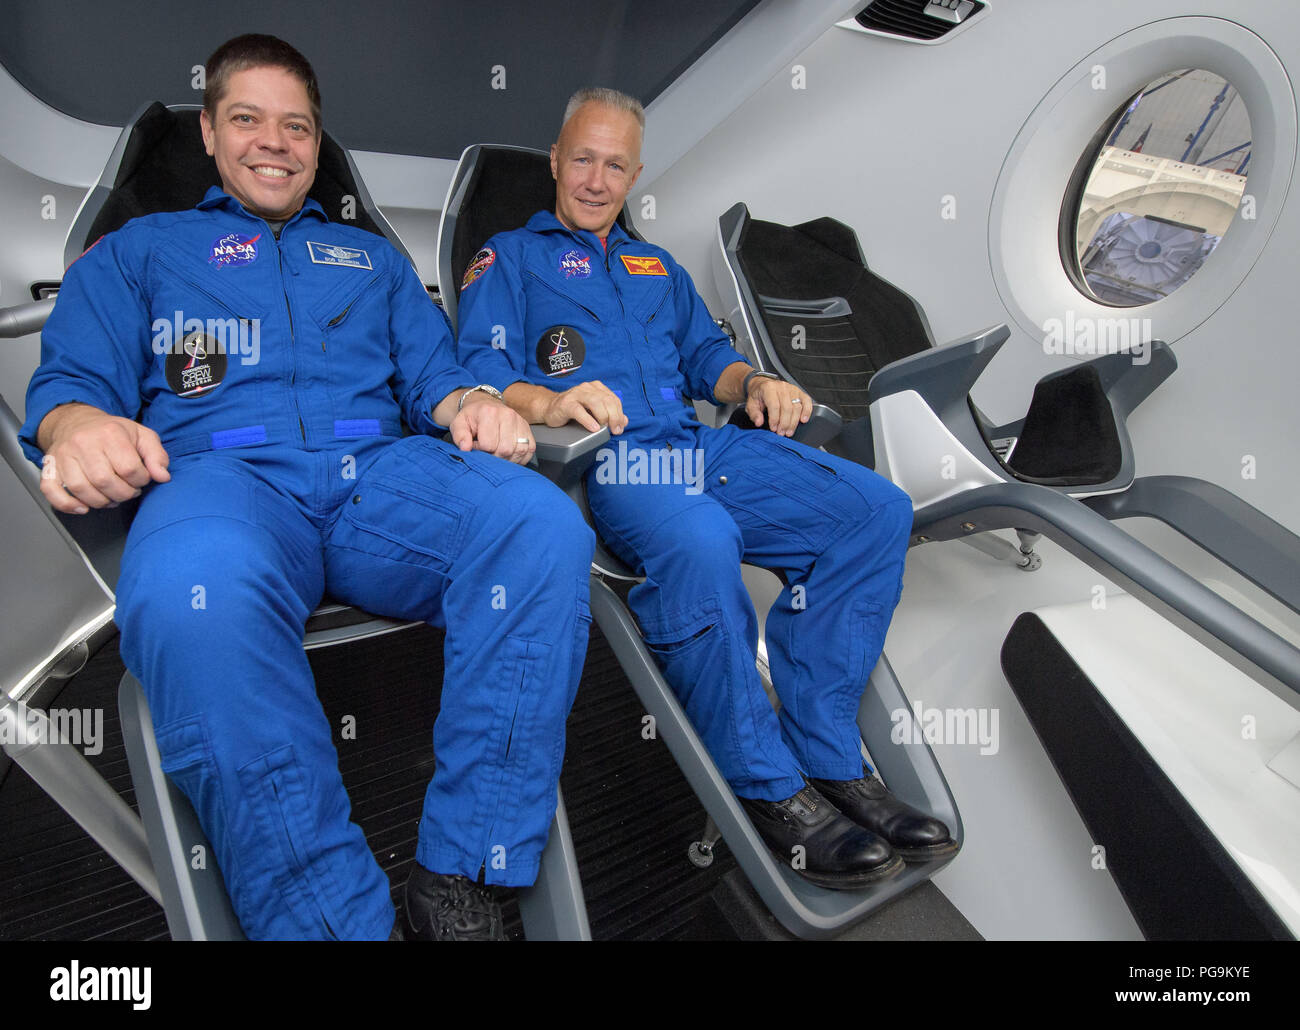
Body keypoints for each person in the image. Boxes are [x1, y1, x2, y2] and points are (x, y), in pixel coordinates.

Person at [20, 35, 594, 940]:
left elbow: (434, 375)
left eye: (297, 127)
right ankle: (332, 921)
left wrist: (471, 403)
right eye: (247, 119)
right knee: (187, 598)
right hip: (222, 479)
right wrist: (78, 428)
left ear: (318, 145)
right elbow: (66, 389)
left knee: (543, 529)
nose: (274, 143)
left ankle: (467, 874)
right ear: (210, 133)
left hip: (381, 476)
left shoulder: (368, 257)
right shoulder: (140, 250)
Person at [455, 87, 955, 889]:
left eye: (614, 164)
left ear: (635, 174)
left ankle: (828, 755)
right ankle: (767, 782)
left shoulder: (658, 266)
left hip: (702, 445)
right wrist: (548, 403)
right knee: (701, 538)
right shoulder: (509, 258)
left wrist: (755, 381)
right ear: (555, 159)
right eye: (581, 158)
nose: (594, 178)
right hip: (611, 460)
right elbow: (477, 376)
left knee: (873, 510)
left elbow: (707, 362)